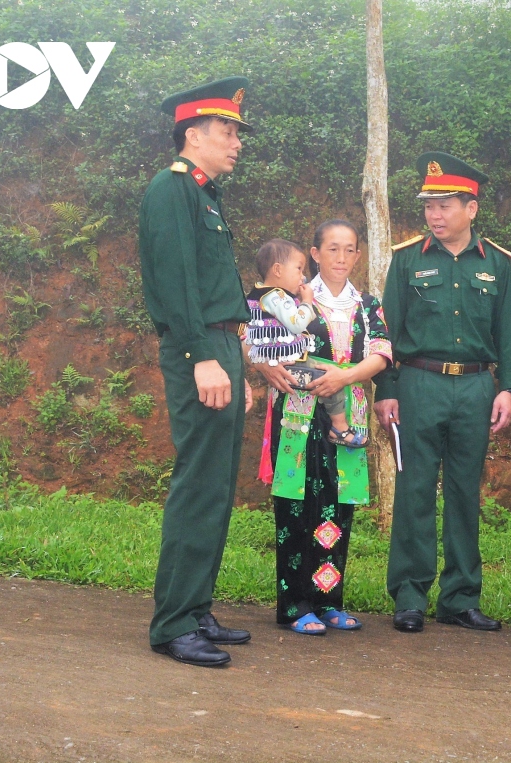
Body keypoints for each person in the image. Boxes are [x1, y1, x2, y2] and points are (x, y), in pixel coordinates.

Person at [373, 152, 511, 633]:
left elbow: (508, 333)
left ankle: (459, 597)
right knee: (414, 488)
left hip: (477, 387)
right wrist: (387, 388)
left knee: (464, 492)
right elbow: (386, 330)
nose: (434, 216)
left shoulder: (497, 264)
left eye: (445, 206)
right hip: (419, 383)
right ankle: (410, 595)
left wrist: (508, 388)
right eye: (428, 206)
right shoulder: (405, 260)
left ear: (471, 208)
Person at [138, 76, 255, 667]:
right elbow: (175, 282)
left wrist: (234, 360)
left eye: (237, 131)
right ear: (193, 133)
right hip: (198, 349)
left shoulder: (206, 195)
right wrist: (201, 357)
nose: (237, 142)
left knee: (216, 485)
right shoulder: (172, 189)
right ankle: (173, 623)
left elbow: (212, 289)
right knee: (197, 483)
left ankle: (196, 605)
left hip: (220, 346)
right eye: (227, 131)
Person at [249, 220, 392, 635]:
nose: (341, 258)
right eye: (332, 249)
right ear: (314, 253)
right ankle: (294, 604)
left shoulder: (367, 304)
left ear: (358, 256)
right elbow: (249, 333)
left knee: (337, 505)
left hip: (346, 407)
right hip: (295, 411)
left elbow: (382, 352)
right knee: (296, 505)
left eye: (349, 250)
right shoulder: (290, 294)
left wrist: (344, 379)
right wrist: (263, 364)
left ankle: (329, 599)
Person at [246, 238, 367, 448]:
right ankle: (339, 427)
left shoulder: (256, 295)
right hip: (290, 362)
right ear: (277, 269)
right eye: (298, 269)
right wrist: (306, 302)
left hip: (277, 363)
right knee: (327, 379)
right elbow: (296, 323)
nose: (302, 276)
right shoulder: (277, 298)